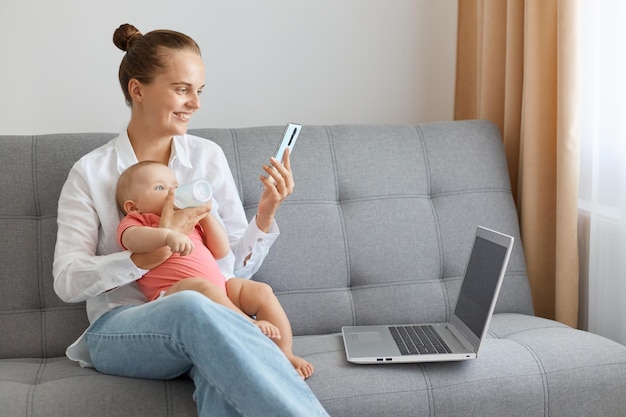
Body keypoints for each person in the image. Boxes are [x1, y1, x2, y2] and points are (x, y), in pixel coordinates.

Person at [52, 23, 329, 416]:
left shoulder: (206, 157)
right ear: (137, 89)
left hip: (214, 320)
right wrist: (141, 259)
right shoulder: (91, 172)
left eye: (199, 91)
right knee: (191, 305)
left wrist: (265, 215)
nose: (195, 104)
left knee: (221, 374)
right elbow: (67, 280)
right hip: (122, 327)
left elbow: (229, 267)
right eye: (182, 89)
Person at [115, 160, 314, 378]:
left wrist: (206, 216)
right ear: (132, 206)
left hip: (219, 290)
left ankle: (284, 352)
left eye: (175, 185)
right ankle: (247, 324)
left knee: (260, 291)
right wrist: (168, 235)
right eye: (160, 188)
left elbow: (221, 250)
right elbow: (133, 240)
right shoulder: (139, 221)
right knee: (198, 286)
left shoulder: (190, 220)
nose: (173, 192)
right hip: (174, 296)